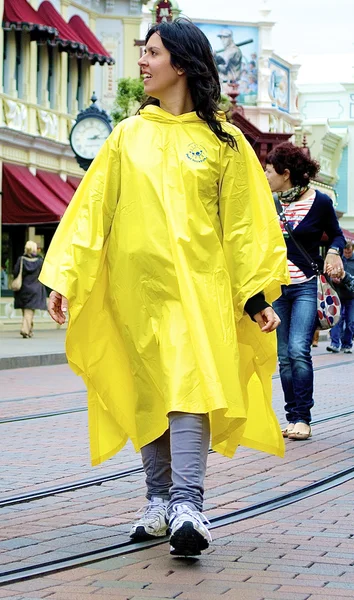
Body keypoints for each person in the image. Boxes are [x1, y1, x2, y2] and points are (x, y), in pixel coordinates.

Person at [40, 19, 289, 557]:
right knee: (152, 388)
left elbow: (245, 223)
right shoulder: (127, 136)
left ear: (181, 62)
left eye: (152, 53)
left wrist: (253, 295)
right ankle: (158, 503)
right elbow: (92, 212)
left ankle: (188, 505)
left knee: (191, 384)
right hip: (137, 292)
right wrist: (65, 276)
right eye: (143, 53)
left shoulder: (224, 142)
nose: (143, 62)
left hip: (199, 291)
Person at [265, 143, 345, 441]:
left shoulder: (320, 202)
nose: (265, 175)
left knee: (299, 349)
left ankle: (302, 417)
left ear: (286, 174)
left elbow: (336, 233)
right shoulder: (269, 203)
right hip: (276, 288)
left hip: (306, 285)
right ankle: (291, 415)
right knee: (284, 355)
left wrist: (335, 252)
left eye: (270, 171)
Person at [13, 241, 47, 338]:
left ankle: (28, 330)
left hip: (23, 288)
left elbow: (15, 272)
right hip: (35, 288)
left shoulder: (21, 260)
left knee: (26, 310)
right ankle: (26, 330)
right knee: (30, 310)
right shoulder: (40, 261)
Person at [327, 242, 354, 354]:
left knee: (350, 321)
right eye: (345, 252)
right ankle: (334, 344)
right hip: (337, 294)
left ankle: (347, 344)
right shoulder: (338, 259)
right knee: (336, 320)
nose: (347, 254)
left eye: (349, 252)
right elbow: (328, 273)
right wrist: (333, 279)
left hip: (351, 295)